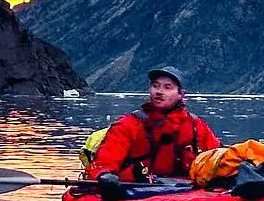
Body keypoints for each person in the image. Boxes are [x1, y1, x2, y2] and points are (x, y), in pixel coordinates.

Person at [84, 66, 220, 183]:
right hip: (135, 192)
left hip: (185, 192)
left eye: (167, 87)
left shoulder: (196, 125)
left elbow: (217, 158)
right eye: (155, 86)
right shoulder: (128, 124)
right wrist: (105, 176)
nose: (159, 91)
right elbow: (105, 162)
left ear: (180, 94)